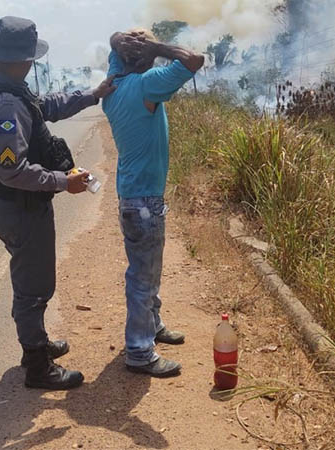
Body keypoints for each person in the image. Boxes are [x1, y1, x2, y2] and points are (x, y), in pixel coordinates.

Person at [0, 16, 115, 390]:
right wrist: (63, 182)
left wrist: (92, 95)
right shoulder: (4, 105)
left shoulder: (10, 90)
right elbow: (11, 170)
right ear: (25, 59)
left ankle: (37, 344)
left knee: (34, 282)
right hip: (21, 207)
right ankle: (37, 366)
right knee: (33, 287)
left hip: (22, 206)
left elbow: (47, 105)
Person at [101, 29, 204, 377]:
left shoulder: (113, 86)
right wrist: (158, 47)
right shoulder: (147, 84)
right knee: (143, 277)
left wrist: (120, 41)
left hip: (133, 196)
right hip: (144, 200)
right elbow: (193, 60)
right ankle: (139, 351)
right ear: (144, 56)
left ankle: (153, 325)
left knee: (149, 270)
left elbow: (115, 48)